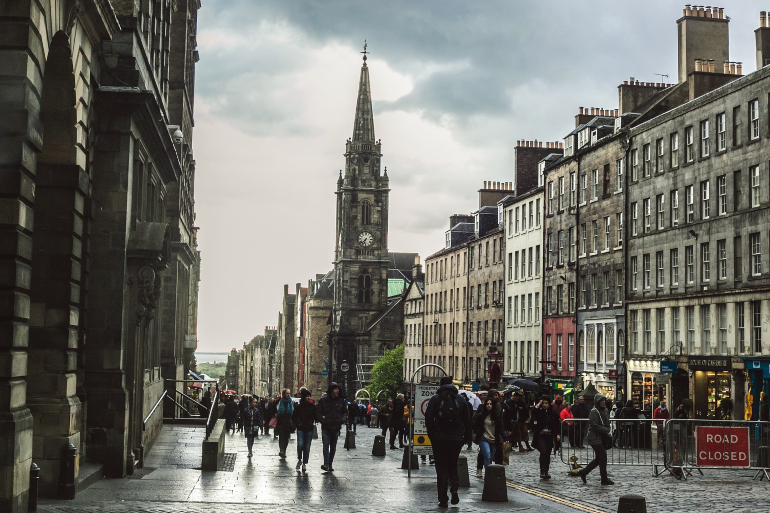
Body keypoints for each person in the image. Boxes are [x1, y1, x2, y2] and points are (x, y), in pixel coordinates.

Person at [425, 375, 472, 509]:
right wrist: (467, 438)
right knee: (452, 465)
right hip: (456, 439)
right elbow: (468, 421)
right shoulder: (460, 399)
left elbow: (428, 418)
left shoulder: (435, 398)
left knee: (441, 468)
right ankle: (454, 489)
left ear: (440, 385)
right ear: (452, 384)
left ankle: (443, 499)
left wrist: (432, 435)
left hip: (439, 438)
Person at [578, 394, 614, 485]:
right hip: (594, 437)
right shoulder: (594, 411)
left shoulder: (605, 410)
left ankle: (584, 472)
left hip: (601, 437)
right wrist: (606, 430)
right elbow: (595, 425)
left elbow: (606, 422)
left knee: (599, 458)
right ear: (597, 402)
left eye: (604, 400)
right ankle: (604, 479)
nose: (603, 402)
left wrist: (608, 430)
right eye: (601, 400)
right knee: (603, 457)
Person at [316, 382, 346, 471]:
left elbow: (345, 412)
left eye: (337, 389)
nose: (337, 391)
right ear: (331, 390)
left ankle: (330, 464)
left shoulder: (341, 401)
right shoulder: (324, 401)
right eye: (335, 389)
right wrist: (322, 420)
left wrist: (342, 420)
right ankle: (326, 464)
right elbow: (318, 412)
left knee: (333, 447)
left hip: (336, 426)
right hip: (326, 427)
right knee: (326, 445)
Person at [531, 395, 560, 479]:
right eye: (543, 403)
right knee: (543, 451)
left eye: (546, 403)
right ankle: (542, 470)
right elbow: (534, 411)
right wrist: (539, 403)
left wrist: (558, 434)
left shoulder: (553, 413)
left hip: (550, 435)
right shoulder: (540, 412)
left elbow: (557, 425)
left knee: (548, 453)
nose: (544, 405)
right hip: (541, 435)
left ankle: (546, 470)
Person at [473, 398, 504, 474]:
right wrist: (479, 433)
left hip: (493, 438)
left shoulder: (496, 416)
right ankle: (488, 474)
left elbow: (500, 427)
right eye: (487, 404)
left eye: (490, 404)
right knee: (487, 455)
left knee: (490, 457)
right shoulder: (481, 416)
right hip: (483, 438)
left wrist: (505, 437)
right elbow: (475, 425)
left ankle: (488, 472)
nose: (489, 406)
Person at [292, 387, 316, 472]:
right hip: (301, 428)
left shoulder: (312, 407)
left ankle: (304, 463)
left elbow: (316, 416)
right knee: (300, 445)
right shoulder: (298, 407)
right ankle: (299, 459)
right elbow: (294, 417)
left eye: (309, 396)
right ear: (303, 397)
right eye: (307, 396)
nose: (309, 398)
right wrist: (298, 423)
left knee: (307, 447)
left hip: (309, 429)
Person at [275, 389, 295, 458]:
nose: (288, 395)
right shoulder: (279, 401)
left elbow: (293, 411)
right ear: (284, 394)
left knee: (286, 437)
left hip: (288, 421)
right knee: (281, 436)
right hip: (281, 421)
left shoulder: (291, 401)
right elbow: (275, 409)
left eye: (289, 393)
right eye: (287, 393)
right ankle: (281, 450)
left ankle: (284, 450)